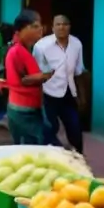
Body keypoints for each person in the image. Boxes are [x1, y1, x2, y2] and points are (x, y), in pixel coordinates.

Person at [34, 14, 86, 153]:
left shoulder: (76, 44)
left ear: (69, 27)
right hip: (48, 94)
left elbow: (79, 72)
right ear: (52, 27)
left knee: (75, 128)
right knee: (49, 130)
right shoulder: (41, 46)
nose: (62, 27)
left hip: (68, 93)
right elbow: (35, 73)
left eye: (65, 24)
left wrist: (82, 97)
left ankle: (79, 158)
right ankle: (56, 157)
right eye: (58, 24)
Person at [4, 10, 52, 145]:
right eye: (35, 26)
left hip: (29, 108)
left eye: (40, 25)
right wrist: (48, 75)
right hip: (23, 112)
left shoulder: (28, 49)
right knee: (43, 147)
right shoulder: (17, 51)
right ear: (21, 30)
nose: (40, 29)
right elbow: (22, 80)